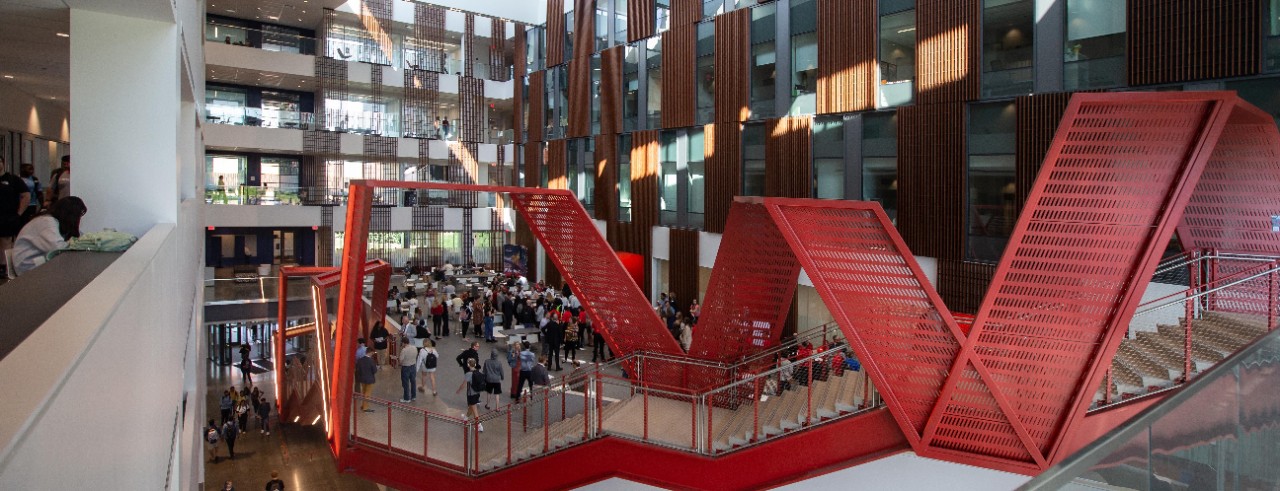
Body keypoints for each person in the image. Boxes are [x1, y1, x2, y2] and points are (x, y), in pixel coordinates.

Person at [11, 196, 86, 275]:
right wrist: (80, 243)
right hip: (29, 267)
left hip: (38, 262)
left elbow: (81, 238)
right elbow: (57, 248)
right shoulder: (46, 222)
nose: (78, 219)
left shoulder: (57, 222)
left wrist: (85, 241)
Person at [0, 159, 31, 263]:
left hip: (7, 216)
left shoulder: (13, 179)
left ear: (3, 163)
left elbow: (26, 195)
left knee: (6, 240)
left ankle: (5, 266)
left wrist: (19, 213)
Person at [456, 359, 484, 432]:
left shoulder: (469, 374)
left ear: (468, 365)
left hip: (471, 394)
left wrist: (459, 390)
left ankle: (479, 425)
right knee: (471, 407)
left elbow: (463, 385)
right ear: (475, 365)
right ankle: (466, 417)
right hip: (477, 393)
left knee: (475, 410)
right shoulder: (478, 372)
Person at [355, 348, 377, 412]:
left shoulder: (360, 360)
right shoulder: (371, 361)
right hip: (369, 379)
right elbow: (374, 370)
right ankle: (365, 407)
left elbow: (357, 369)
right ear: (371, 352)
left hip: (362, 379)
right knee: (367, 394)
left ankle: (363, 405)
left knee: (364, 392)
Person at [398, 337, 419, 403]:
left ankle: (406, 398)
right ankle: (413, 396)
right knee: (413, 382)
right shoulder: (414, 348)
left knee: (405, 383)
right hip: (413, 366)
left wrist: (398, 361)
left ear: (403, 343)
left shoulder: (404, 350)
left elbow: (400, 360)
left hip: (406, 367)